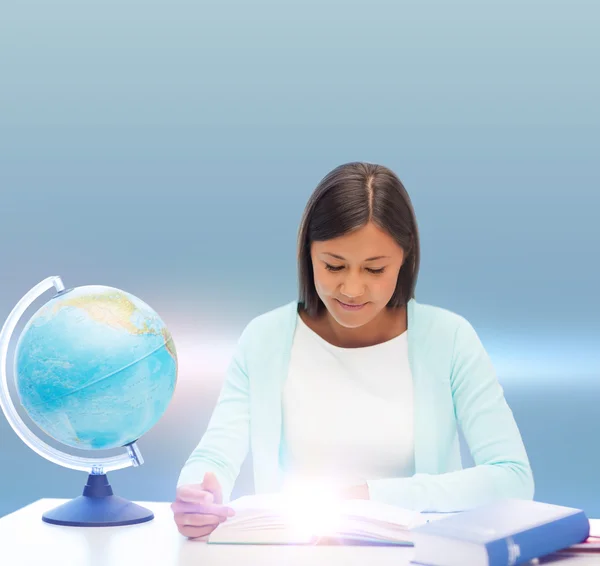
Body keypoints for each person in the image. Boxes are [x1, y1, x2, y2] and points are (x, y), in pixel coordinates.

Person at [171, 161, 534, 539]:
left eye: (374, 269)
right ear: (308, 253)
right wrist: (198, 495)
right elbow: (215, 455)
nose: (352, 289)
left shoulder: (449, 339)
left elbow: (512, 476)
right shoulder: (264, 339)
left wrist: (368, 496)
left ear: (405, 258)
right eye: (333, 265)